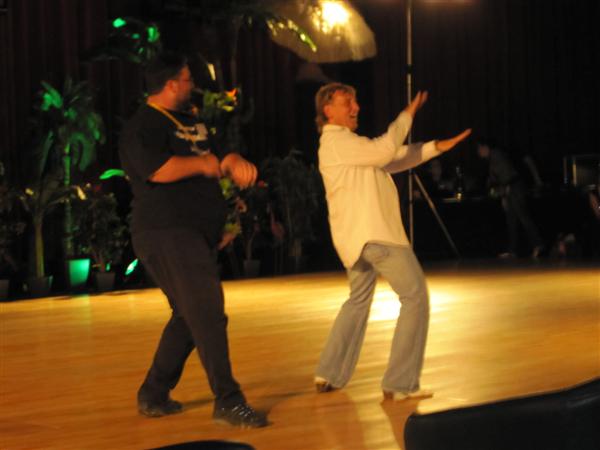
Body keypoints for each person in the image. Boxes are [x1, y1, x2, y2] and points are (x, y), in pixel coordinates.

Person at [119, 52, 267, 428]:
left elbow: (216, 157)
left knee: (190, 315)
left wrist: (231, 163)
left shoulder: (192, 121)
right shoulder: (143, 125)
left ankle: (154, 392)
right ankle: (228, 400)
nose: (193, 85)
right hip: (165, 232)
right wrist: (204, 165)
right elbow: (156, 170)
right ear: (171, 84)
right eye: (187, 80)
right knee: (207, 312)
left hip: (194, 233)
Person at [313, 82, 471, 400]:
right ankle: (399, 383)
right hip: (376, 236)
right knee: (415, 297)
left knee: (358, 300)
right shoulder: (337, 141)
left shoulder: (345, 145)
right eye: (347, 102)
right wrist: (408, 113)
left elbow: (393, 158)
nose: (356, 107)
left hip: (357, 240)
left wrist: (436, 147)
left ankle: (328, 372)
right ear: (328, 110)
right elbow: (386, 150)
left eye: (356, 101)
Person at [476, 140, 545, 259]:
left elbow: (506, 175)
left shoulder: (496, 155)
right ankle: (513, 250)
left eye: (479, 149)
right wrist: (503, 195)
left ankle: (538, 244)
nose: (478, 153)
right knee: (511, 220)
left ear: (485, 147)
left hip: (514, 187)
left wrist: (504, 192)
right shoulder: (492, 159)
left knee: (522, 216)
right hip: (509, 189)